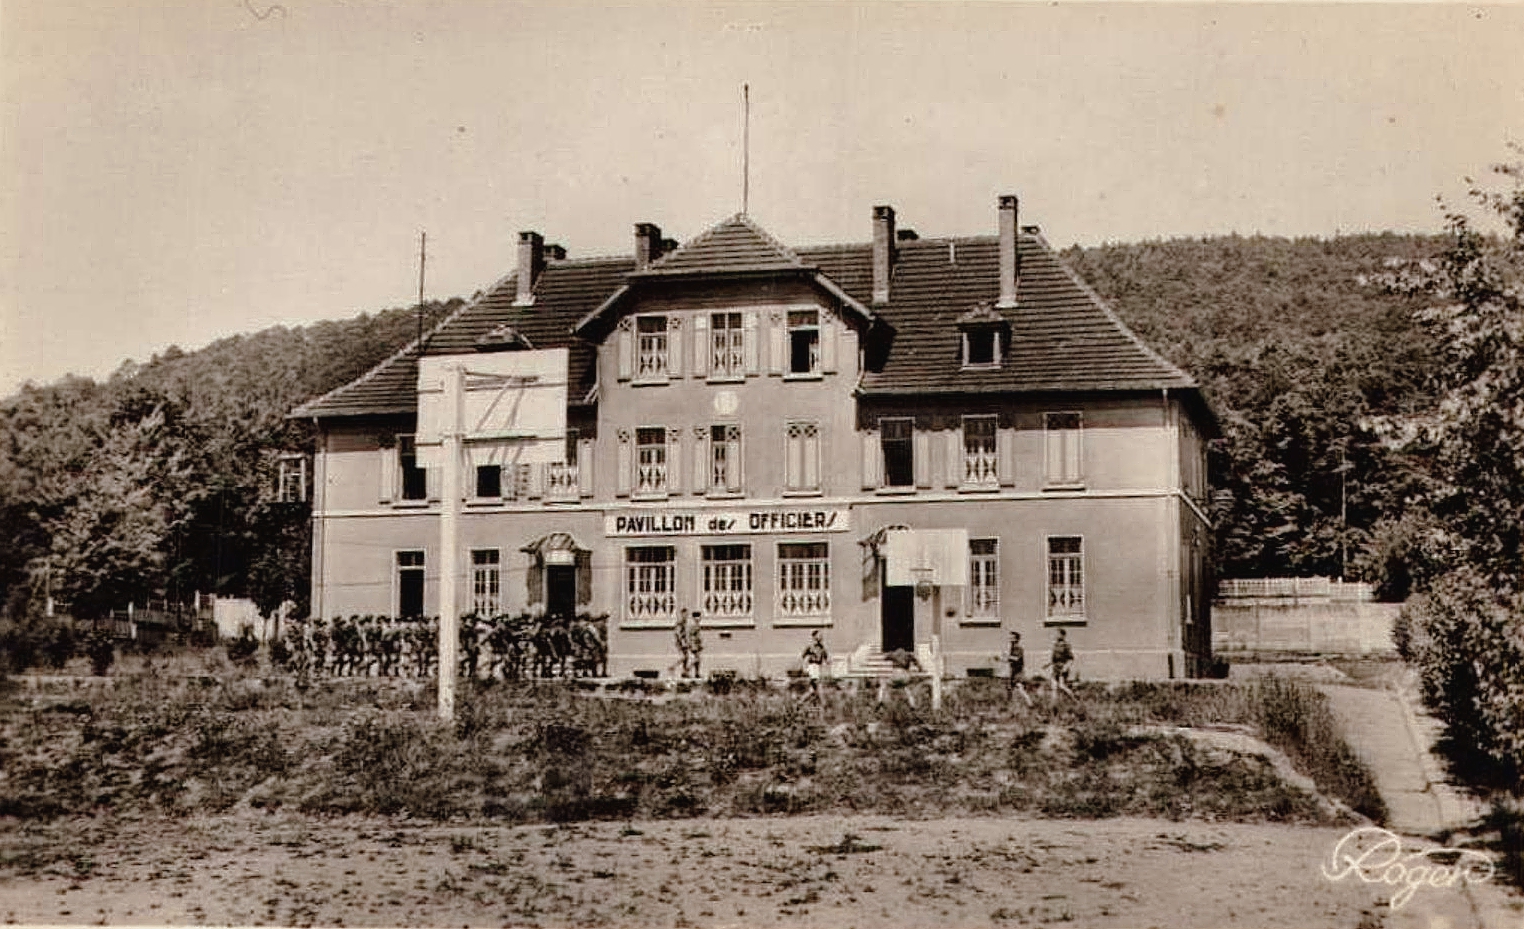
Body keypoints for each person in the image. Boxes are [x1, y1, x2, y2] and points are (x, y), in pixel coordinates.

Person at [802, 631, 829, 702]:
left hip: (818, 667)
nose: (820, 637)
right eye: (819, 636)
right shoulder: (810, 647)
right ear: (814, 637)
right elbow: (803, 656)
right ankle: (823, 702)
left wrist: (827, 662)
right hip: (813, 666)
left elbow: (826, 657)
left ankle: (800, 702)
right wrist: (805, 667)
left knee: (812, 690)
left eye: (821, 636)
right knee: (817, 685)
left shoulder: (822, 648)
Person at [1006, 631, 1033, 705]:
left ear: (1016, 639)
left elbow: (1017, 658)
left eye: (1012, 638)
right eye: (1010, 637)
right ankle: (1010, 704)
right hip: (1013, 671)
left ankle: (1030, 703)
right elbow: (1009, 659)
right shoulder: (1012, 648)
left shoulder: (1019, 648)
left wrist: (1008, 657)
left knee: (1020, 688)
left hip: (1018, 672)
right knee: (1009, 688)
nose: (1010, 639)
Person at [1049, 628, 1076, 699]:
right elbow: (1054, 658)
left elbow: (1071, 658)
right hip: (1055, 668)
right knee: (1053, 687)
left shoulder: (1066, 645)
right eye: (1056, 634)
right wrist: (1048, 664)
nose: (1056, 636)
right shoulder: (1055, 645)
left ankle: (1075, 698)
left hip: (1062, 668)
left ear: (1063, 635)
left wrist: (1066, 667)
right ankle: (1053, 705)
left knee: (1061, 686)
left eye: (1058, 634)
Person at [687, 611, 703, 679]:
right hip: (694, 643)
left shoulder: (697, 624)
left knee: (697, 660)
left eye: (699, 617)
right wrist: (691, 643)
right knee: (697, 659)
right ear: (694, 618)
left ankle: (697, 673)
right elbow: (691, 635)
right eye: (696, 617)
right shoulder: (693, 625)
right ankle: (687, 670)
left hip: (696, 643)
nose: (698, 618)